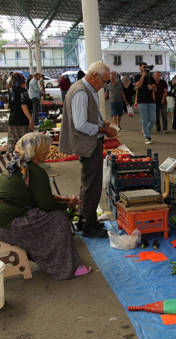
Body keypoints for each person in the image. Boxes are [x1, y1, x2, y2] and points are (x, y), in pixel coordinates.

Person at [0, 133, 91, 280]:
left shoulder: (16, 165)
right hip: (2, 224)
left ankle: (51, 259)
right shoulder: (35, 172)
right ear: (37, 152)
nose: (47, 151)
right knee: (58, 218)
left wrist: (61, 200)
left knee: (49, 215)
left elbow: (37, 197)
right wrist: (67, 204)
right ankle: (64, 268)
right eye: (45, 149)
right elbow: (46, 205)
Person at [59, 61, 118, 238]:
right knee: (92, 184)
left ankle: (85, 218)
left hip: (89, 142)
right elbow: (81, 124)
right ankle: (89, 224)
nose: (105, 85)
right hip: (87, 143)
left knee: (89, 182)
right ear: (94, 76)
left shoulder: (85, 90)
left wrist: (102, 123)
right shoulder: (80, 92)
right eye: (104, 81)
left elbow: (88, 117)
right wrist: (103, 130)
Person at [7, 73, 34, 153]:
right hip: (22, 120)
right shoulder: (22, 91)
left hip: (12, 120)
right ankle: (24, 162)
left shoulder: (11, 91)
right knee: (24, 143)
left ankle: (12, 161)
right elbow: (23, 105)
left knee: (13, 142)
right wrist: (30, 119)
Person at [134, 63, 156, 145]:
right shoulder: (137, 76)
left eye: (146, 67)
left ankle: (146, 131)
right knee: (144, 119)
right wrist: (143, 75)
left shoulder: (151, 77)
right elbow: (138, 86)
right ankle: (147, 137)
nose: (145, 68)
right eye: (143, 67)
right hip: (141, 101)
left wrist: (152, 88)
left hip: (151, 101)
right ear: (140, 68)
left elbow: (155, 89)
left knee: (153, 119)